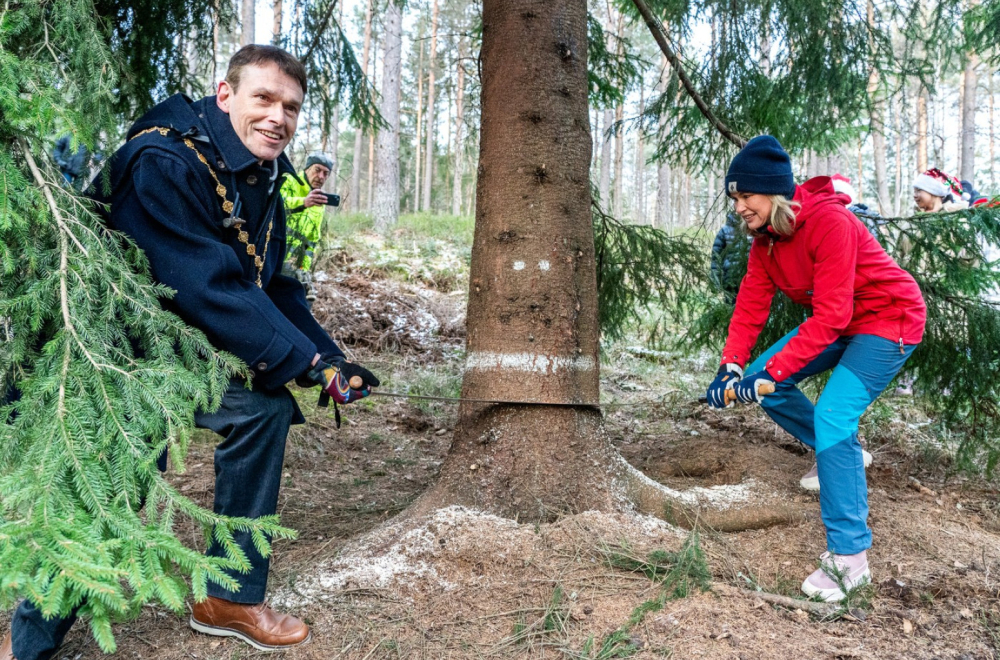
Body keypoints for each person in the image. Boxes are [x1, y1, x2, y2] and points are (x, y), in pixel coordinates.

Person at [0, 45, 380, 660]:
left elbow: (271, 284)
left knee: (262, 411)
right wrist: (304, 364)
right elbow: (206, 287)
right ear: (225, 95)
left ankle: (228, 595)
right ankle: (28, 645)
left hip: (187, 347)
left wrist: (328, 358)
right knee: (114, 481)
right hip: (117, 357)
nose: (277, 118)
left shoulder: (263, 173)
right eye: (263, 98)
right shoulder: (163, 160)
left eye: (290, 107)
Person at [705, 136, 926, 602]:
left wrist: (769, 375)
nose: (739, 207)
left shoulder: (830, 222)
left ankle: (850, 558)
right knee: (767, 381)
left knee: (832, 414)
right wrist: (732, 366)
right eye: (735, 197)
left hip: (889, 320)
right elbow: (751, 304)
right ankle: (840, 454)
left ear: (774, 192)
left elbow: (830, 318)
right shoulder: (766, 240)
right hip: (840, 321)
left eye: (747, 196)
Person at [280, 153, 335, 301]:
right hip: (273, 253)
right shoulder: (289, 180)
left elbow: (311, 240)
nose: (321, 176)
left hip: (293, 262)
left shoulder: (319, 201)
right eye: (317, 170)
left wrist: (304, 268)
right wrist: (303, 202)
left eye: (326, 173)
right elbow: (275, 204)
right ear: (307, 169)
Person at [710, 212, 749, 304]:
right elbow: (716, 258)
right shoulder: (725, 231)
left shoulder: (754, 230)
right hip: (730, 279)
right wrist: (715, 280)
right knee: (731, 306)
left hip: (750, 278)